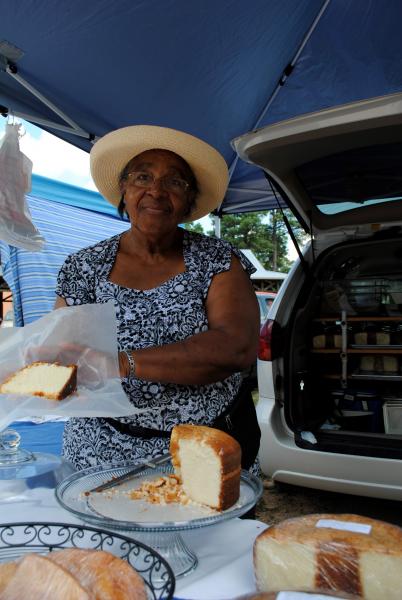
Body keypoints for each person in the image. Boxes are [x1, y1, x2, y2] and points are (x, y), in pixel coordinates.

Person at [54, 125, 260, 472]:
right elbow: (66, 358)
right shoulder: (83, 266)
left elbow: (235, 348)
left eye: (174, 182)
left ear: (189, 199)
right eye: (142, 177)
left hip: (201, 452)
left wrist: (123, 362)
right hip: (98, 452)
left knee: (210, 527)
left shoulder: (217, 259)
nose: (156, 191)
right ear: (124, 189)